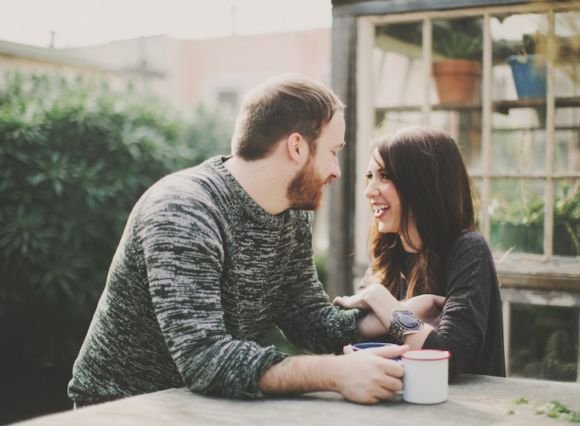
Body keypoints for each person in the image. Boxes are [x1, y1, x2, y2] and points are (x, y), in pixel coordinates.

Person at [68, 74, 409, 407]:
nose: (335, 170)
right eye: (333, 152)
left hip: (206, 405)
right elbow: (205, 359)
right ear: (296, 147)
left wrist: (391, 317)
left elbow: (306, 317)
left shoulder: (293, 212)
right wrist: (334, 373)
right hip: (122, 408)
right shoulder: (183, 211)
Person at [334, 126, 505, 378]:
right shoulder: (389, 253)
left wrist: (379, 298)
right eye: (370, 176)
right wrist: (406, 310)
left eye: (385, 176)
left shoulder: (468, 250)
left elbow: (446, 358)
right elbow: (340, 338)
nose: (369, 190)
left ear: (422, 184)